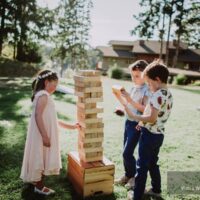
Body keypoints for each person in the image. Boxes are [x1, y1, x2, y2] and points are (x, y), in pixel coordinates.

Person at [20, 69, 80, 195]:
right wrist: (45, 136)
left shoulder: (42, 95)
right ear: (47, 82)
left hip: (41, 132)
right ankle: (39, 186)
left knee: (41, 156)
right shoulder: (43, 96)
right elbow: (38, 116)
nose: (56, 87)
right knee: (40, 156)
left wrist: (71, 126)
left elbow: (53, 120)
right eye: (55, 84)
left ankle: (36, 181)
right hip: (42, 134)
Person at [124, 61, 173, 200]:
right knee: (152, 163)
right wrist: (141, 121)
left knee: (141, 166)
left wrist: (134, 116)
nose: (149, 87)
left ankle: (137, 195)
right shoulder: (168, 94)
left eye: (150, 84)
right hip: (158, 135)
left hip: (149, 136)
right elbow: (157, 116)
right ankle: (156, 190)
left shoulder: (157, 95)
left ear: (157, 79)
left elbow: (151, 118)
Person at [113, 60, 149, 189]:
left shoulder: (147, 89)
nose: (134, 78)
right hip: (128, 122)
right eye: (132, 75)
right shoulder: (134, 87)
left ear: (145, 75)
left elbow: (144, 108)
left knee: (127, 153)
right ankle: (128, 175)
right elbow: (129, 105)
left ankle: (133, 177)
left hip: (137, 124)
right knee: (125, 151)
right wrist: (121, 104)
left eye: (137, 76)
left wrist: (129, 99)